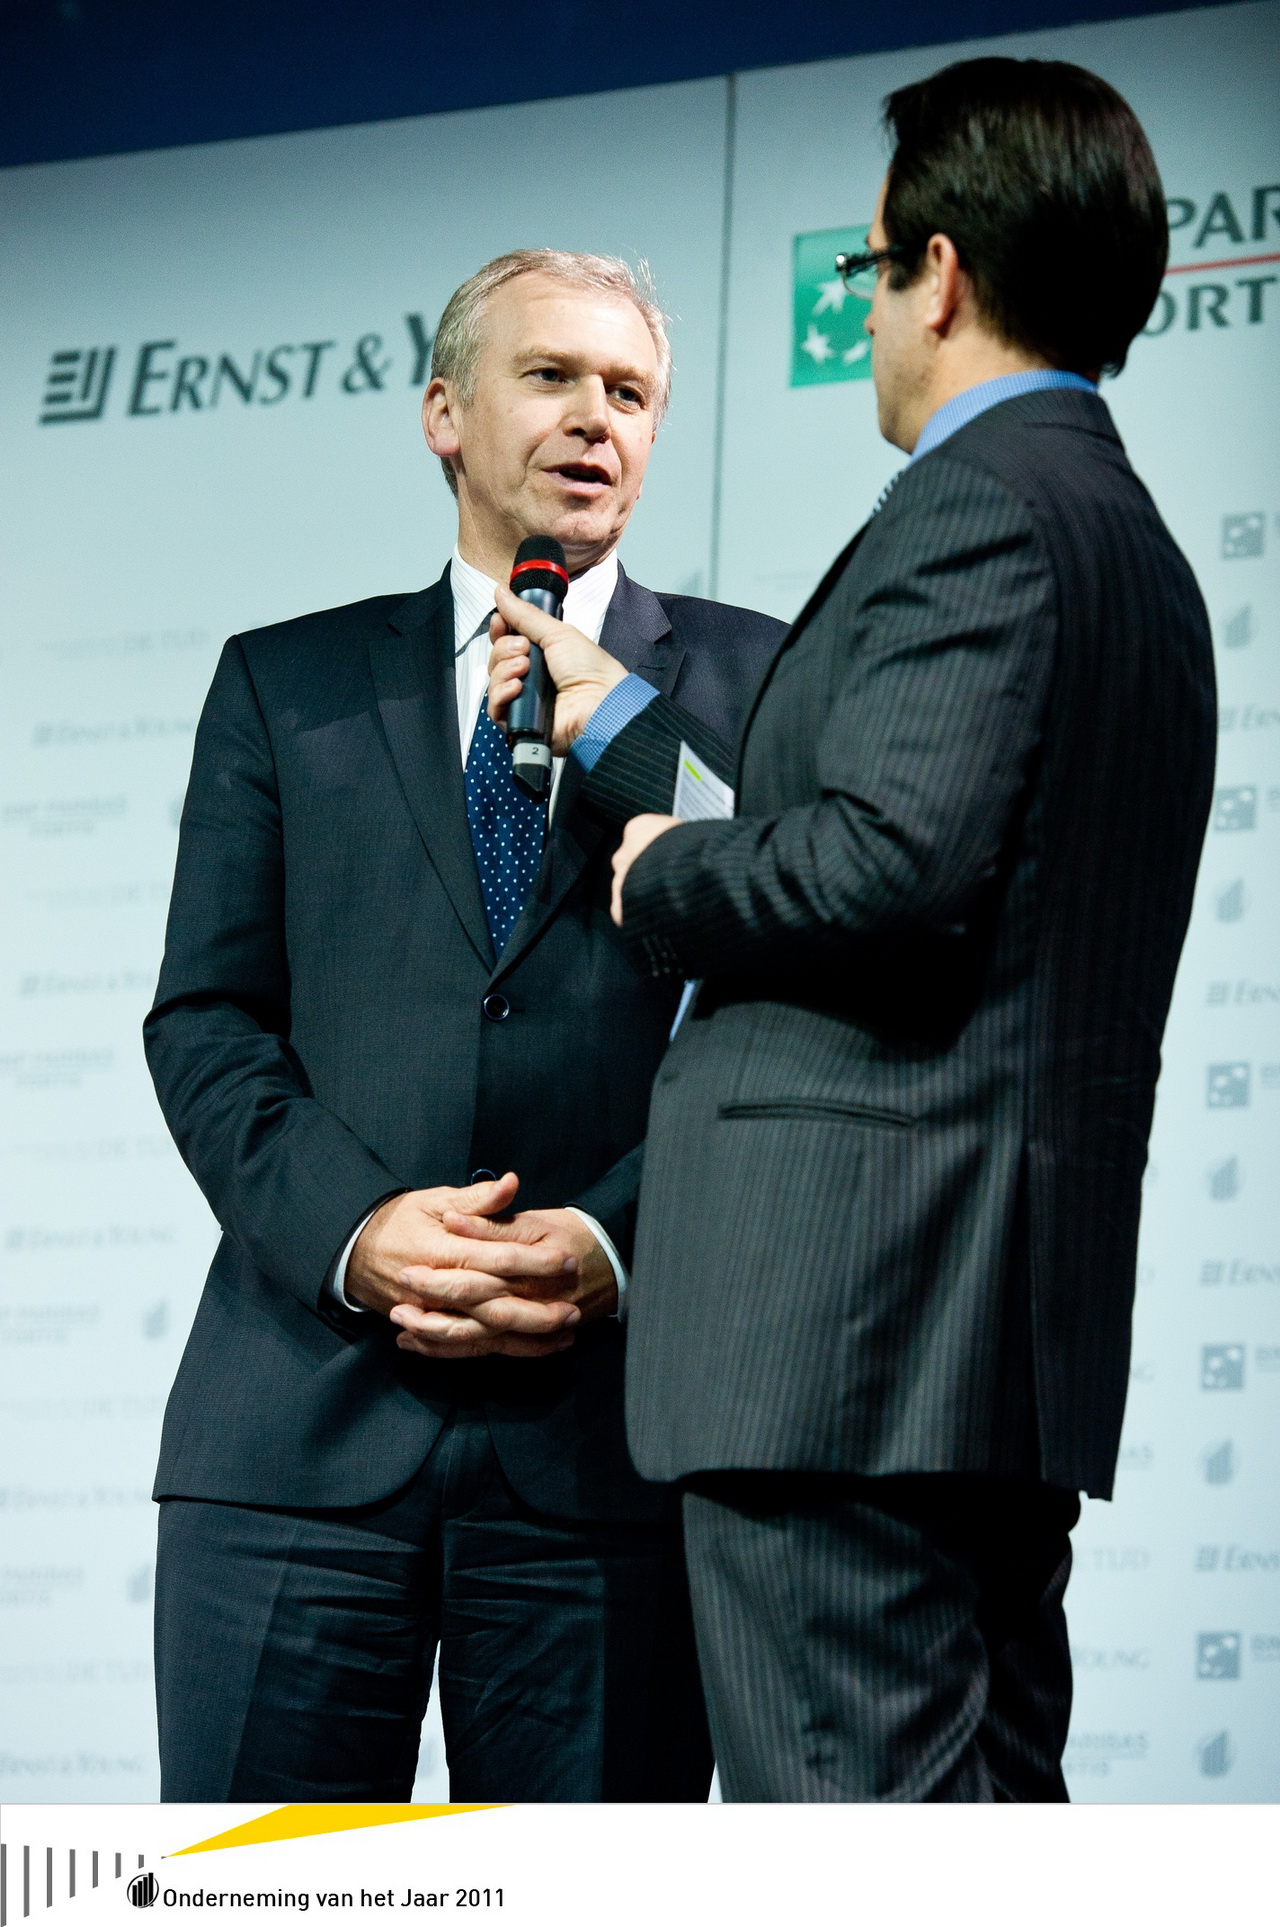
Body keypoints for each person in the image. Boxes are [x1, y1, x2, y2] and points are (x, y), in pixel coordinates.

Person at [487, 63, 1217, 1799]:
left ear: (938, 277)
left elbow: (885, 866)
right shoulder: (1124, 540)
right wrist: (619, 732)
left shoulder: (976, 507)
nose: (872, 315)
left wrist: (663, 868)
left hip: (847, 1336)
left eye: (870, 270)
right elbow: (926, 818)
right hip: (972, 1343)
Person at [144, 248, 785, 1801]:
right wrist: (361, 1232)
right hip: (296, 1438)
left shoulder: (759, 681)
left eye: (629, 392)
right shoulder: (288, 683)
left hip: (608, 1448)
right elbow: (210, 1020)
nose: (595, 418)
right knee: (265, 1901)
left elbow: (782, 1008)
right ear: (444, 413)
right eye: (549, 377)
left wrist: (613, 1243)